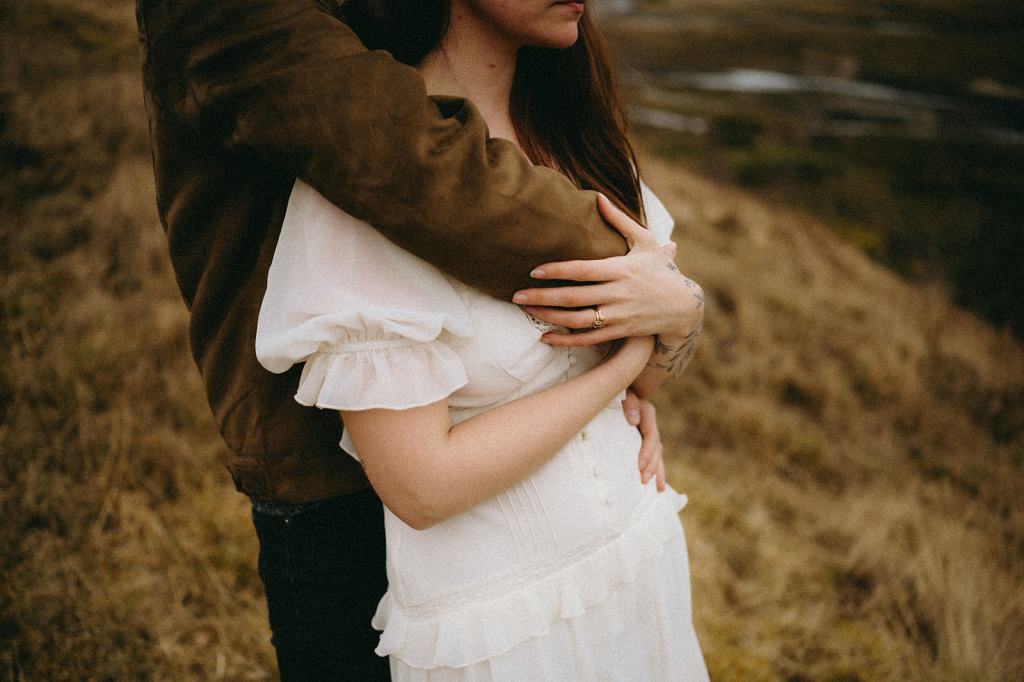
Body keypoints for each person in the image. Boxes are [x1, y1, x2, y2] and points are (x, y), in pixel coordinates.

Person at [255, 1, 709, 679]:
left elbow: (655, 377)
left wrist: (681, 314)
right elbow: (421, 487)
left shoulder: (568, 132)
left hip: (640, 565)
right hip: (505, 633)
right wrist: (622, 368)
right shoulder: (367, 186)